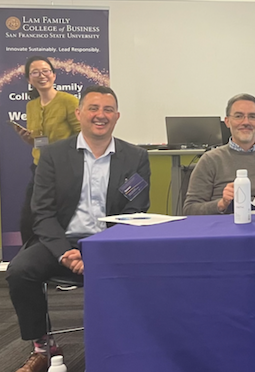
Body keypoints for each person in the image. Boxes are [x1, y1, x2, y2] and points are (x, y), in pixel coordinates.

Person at [6, 85, 150, 372]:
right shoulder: (53, 155)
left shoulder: (135, 157)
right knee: (19, 272)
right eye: (93, 108)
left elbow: (135, 210)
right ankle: (43, 347)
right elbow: (43, 214)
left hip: (110, 240)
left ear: (117, 116)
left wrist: (99, 250)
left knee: (151, 269)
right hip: (60, 239)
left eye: (108, 109)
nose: (100, 115)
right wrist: (66, 253)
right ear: (79, 113)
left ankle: (135, 342)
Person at [184, 94, 255, 214]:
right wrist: (222, 204)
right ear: (227, 121)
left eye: (252, 117)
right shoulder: (210, 160)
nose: (246, 122)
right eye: (238, 116)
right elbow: (190, 210)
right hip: (222, 229)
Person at [11, 56, 81, 247]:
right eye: (35, 72)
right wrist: (29, 140)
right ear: (29, 79)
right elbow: (39, 140)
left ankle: (62, 258)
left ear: (54, 75)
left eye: (45, 71)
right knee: (28, 219)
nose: (41, 76)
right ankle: (31, 260)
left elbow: (83, 136)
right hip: (39, 169)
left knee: (59, 218)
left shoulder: (69, 101)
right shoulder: (31, 105)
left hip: (64, 171)